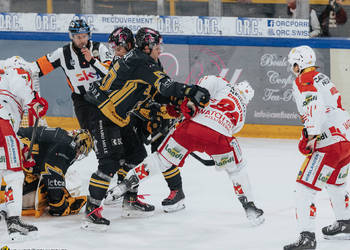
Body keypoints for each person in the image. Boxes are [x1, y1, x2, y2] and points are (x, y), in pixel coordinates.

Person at [83, 27, 210, 230]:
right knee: (109, 164)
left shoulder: (142, 60)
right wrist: (190, 90)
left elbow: (155, 91)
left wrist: (176, 102)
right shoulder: (140, 61)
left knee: (137, 155)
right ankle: (92, 211)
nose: (160, 49)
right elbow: (165, 87)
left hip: (119, 117)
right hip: (102, 114)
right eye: (157, 46)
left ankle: (130, 200)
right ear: (147, 46)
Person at [107, 75, 265, 226]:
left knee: (160, 160)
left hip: (190, 130)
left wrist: (190, 105)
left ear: (235, 86)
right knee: (237, 170)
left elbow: (203, 85)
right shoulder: (242, 114)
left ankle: (126, 183)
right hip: (219, 139)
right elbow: (230, 128)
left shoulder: (223, 83)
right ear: (247, 100)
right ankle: (249, 206)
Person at [283, 45, 350, 250]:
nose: (292, 68)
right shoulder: (322, 77)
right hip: (346, 139)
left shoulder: (304, 79)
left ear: (299, 63)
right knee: (335, 183)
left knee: (304, 189)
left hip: (328, 142)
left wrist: (311, 135)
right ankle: (345, 222)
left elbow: (314, 104)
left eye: (293, 64)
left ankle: (307, 237)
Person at [0, 56, 48, 241]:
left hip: (4, 123)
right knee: (15, 174)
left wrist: (20, 151)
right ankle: (14, 223)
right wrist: (34, 101)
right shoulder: (17, 68)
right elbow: (18, 82)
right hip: (3, 121)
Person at [15, 126, 92, 217]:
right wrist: (59, 205)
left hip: (13, 138)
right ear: (78, 142)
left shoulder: (62, 136)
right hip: (12, 145)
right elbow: (51, 171)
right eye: (81, 150)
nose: (78, 154)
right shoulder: (68, 145)